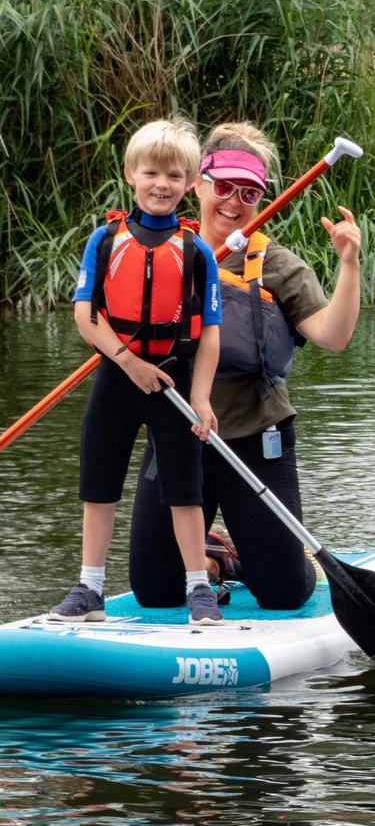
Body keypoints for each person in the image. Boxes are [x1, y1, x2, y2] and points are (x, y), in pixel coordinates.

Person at [128, 121, 363, 611]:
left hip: (255, 435)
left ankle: (238, 555)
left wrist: (349, 264)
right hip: (177, 434)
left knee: (282, 594)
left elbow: (334, 336)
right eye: (224, 188)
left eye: (249, 193)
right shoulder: (157, 250)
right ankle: (210, 557)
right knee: (155, 592)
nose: (234, 203)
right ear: (198, 185)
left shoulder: (277, 265)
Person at [49, 117, 223, 625]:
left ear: (189, 184)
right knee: (98, 485)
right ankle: (90, 588)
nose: (161, 184)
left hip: (174, 382)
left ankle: (199, 589)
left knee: (184, 491)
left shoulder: (197, 251)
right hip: (118, 377)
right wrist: (128, 362)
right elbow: (85, 315)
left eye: (174, 176)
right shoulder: (104, 240)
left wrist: (202, 399)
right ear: (131, 175)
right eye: (151, 173)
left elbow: (210, 333)